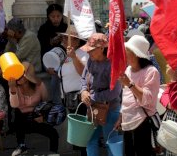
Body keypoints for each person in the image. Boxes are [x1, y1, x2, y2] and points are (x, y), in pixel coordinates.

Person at [115, 35, 160, 156]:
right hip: (127, 122)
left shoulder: (151, 71)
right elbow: (126, 97)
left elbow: (147, 99)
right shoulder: (128, 69)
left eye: (127, 52)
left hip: (142, 122)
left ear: (136, 54)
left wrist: (129, 84)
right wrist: (121, 116)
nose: (125, 55)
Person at [80, 33, 122, 156]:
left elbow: (114, 92)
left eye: (92, 50)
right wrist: (83, 91)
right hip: (92, 109)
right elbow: (84, 78)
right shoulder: (90, 60)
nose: (89, 52)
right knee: (90, 140)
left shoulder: (112, 65)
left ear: (102, 48)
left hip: (110, 109)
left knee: (111, 143)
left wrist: (92, 97)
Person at [9, 62, 59, 156]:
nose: (18, 77)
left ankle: (53, 153)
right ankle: (21, 145)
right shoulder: (14, 87)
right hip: (21, 117)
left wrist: (43, 116)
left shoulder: (39, 85)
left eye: (21, 75)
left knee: (54, 133)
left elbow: (46, 102)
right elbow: (14, 105)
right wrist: (12, 89)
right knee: (17, 113)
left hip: (36, 115)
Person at [57, 25, 88, 156]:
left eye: (67, 38)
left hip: (79, 99)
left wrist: (74, 57)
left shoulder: (82, 54)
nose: (64, 39)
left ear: (75, 41)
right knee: (77, 136)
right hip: (70, 99)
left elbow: (83, 73)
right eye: (64, 37)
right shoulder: (67, 56)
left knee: (81, 135)